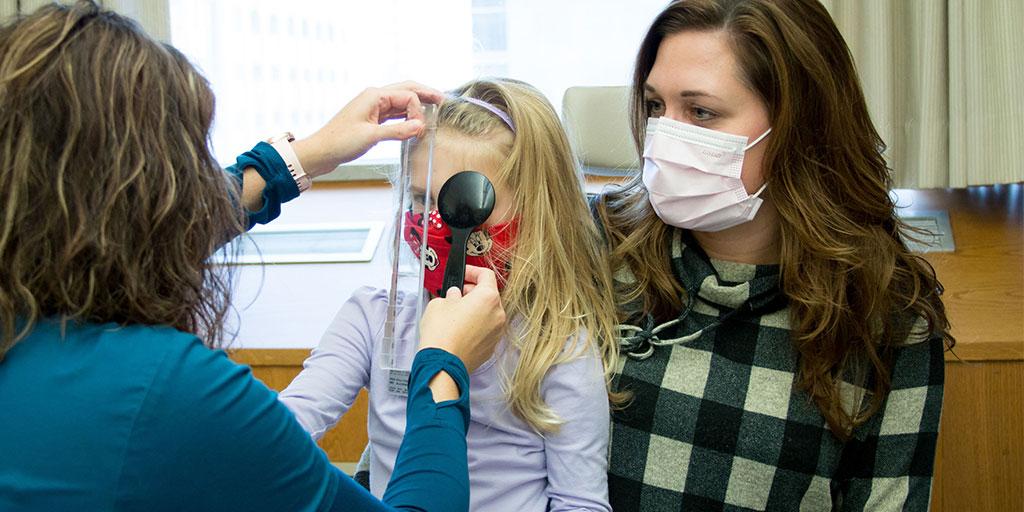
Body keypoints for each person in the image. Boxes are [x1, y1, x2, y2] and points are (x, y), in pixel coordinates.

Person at [0, 2, 505, 511]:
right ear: (147, 197)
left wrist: (302, 156)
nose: (200, 182)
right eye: (191, 162)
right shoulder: (167, 391)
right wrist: (443, 368)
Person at [593, 0, 953, 510]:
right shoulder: (597, 246)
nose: (663, 137)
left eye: (700, 112)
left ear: (798, 124)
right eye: (656, 107)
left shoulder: (884, 318)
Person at [279, 78, 619, 511]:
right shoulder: (373, 319)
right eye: (422, 200)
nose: (435, 223)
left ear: (535, 212)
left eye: (464, 206)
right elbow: (283, 430)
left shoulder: (558, 348)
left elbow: (581, 503)